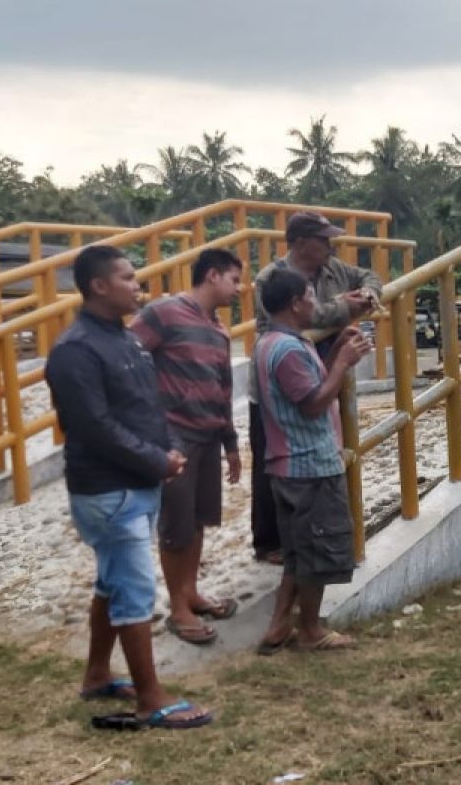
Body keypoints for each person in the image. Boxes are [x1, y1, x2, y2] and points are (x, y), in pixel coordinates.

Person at [45, 244, 212, 729]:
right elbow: (92, 427)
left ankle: (98, 675)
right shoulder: (76, 350)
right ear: (99, 285)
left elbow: (147, 407)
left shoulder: (127, 341)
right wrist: (156, 460)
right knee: (134, 591)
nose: (137, 285)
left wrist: (171, 447)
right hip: (109, 491)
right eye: (128, 277)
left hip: (136, 482)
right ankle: (151, 699)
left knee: (111, 583)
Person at [249, 211, 381, 565]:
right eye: (323, 239)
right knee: (272, 464)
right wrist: (342, 309)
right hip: (282, 384)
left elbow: (368, 275)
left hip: (320, 372)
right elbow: (275, 324)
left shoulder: (334, 269)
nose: (330, 245)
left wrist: (368, 292)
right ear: (301, 242)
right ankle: (272, 542)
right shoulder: (270, 280)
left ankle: (311, 536)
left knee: (322, 447)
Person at [253, 269, 372, 654]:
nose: (316, 304)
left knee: (298, 551)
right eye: (310, 297)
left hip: (290, 465)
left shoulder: (275, 342)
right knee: (317, 552)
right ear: (294, 303)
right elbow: (313, 403)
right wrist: (342, 367)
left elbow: (311, 384)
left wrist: (338, 350)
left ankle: (277, 627)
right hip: (308, 466)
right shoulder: (287, 350)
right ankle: (310, 630)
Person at [130, 247, 243, 645]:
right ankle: (178, 608)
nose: (238, 289)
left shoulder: (218, 330)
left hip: (209, 437)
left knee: (197, 519)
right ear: (212, 275)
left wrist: (230, 443)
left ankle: (191, 592)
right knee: (175, 525)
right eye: (234, 279)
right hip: (172, 438)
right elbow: (127, 359)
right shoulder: (163, 313)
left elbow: (224, 389)